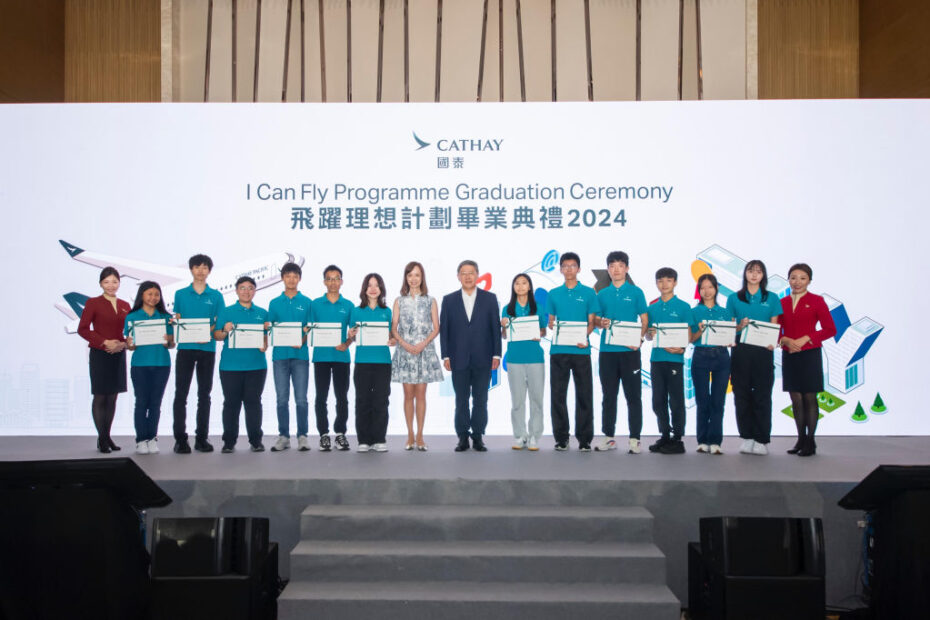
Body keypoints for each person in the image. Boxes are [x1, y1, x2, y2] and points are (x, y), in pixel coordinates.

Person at [440, 260, 502, 453]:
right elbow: (445, 330)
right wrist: (446, 356)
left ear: (477, 275)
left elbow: (495, 328)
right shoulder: (449, 300)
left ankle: (478, 436)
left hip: (484, 357)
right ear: (458, 276)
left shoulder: (490, 298)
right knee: (461, 399)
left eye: (471, 272)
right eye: (463, 273)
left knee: (481, 399)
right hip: (458, 358)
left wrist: (497, 354)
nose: (467, 276)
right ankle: (462, 437)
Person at [778, 263, 836, 457]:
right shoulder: (782, 302)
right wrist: (784, 339)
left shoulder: (817, 300)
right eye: (793, 277)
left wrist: (807, 337)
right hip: (790, 353)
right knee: (795, 397)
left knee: (809, 397)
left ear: (809, 280)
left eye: (802, 278)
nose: (797, 282)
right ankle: (800, 438)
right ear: (788, 279)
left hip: (810, 353)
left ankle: (811, 441)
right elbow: (776, 329)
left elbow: (830, 329)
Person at [726, 260, 782, 455]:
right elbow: (729, 328)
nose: (754, 275)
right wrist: (739, 327)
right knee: (741, 395)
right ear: (745, 274)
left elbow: (775, 327)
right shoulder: (734, 298)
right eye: (751, 271)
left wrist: (772, 341)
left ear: (763, 275)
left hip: (763, 351)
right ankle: (747, 436)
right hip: (741, 350)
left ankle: (761, 438)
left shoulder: (772, 298)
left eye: (758, 271)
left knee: (762, 395)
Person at [595, 251, 648, 454]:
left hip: (630, 352)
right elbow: (596, 320)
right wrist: (601, 322)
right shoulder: (602, 294)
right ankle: (609, 438)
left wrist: (640, 340)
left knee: (633, 396)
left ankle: (635, 439)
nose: (616, 270)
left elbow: (644, 320)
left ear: (627, 268)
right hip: (607, 352)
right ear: (608, 270)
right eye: (612, 266)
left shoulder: (636, 292)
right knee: (609, 396)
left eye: (620, 265)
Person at [545, 252, 599, 452]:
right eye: (565, 266)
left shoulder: (588, 293)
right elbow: (551, 323)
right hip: (558, 350)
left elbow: (592, 321)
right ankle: (561, 438)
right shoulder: (553, 294)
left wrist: (583, 337)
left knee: (584, 395)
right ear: (560, 269)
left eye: (572, 265)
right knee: (558, 395)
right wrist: (553, 325)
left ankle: (585, 439)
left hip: (581, 350)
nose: (569, 269)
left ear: (579, 269)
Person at [172, 254, 224, 454]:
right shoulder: (180, 294)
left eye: (204, 267)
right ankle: (180, 439)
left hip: (207, 349)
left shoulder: (216, 296)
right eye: (197, 267)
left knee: (204, 395)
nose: (201, 271)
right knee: (181, 394)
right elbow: (178, 318)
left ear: (209, 271)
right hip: (185, 349)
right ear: (191, 269)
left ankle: (201, 438)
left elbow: (218, 323)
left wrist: (210, 331)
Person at [391, 261, 443, 451]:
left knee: (421, 395)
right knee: (408, 395)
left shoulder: (431, 300)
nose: (413, 279)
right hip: (405, 352)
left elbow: (436, 327)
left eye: (417, 275)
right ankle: (409, 435)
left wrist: (422, 344)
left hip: (424, 351)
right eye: (410, 275)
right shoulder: (399, 301)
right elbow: (394, 327)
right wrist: (405, 344)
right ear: (406, 277)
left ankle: (420, 435)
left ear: (422, 278)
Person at [77, 266, 130, 453]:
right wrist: (104, 342)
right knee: (100, 396)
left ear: (119, 283)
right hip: (100, 353)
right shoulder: (93, 303)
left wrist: (122, 344)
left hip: (118, 354)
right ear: (100, 283)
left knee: (113, 397)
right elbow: (83, 329)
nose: (111, 285)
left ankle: (107, 437)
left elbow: (128, 332)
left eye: (115, 281)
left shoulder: (125, 305)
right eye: (107, 281)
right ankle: (102, 438)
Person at [213, 276, 268, 453]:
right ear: (236, 291)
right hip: (230, 366)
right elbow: (217, 336)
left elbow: (265, 342)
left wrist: (263, 346)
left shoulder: (262, 313)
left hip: (256, 366)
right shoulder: (226, 312)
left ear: (255, 291)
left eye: (250, 288)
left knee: (253, 403)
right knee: (231, 404)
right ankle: (229, 441)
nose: (246, 291)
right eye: (242, 288)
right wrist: (224, 330)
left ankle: (256, 440)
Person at [644, 267, 696, 455]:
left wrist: (681, 347)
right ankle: (665, 434)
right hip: (656, 359)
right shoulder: (651, 307)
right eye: (660, 281)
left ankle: (677, 437)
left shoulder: (683, 307)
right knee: (658, 400)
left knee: (675, 399)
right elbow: (649, 336)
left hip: (674, 359)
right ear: (656, 283)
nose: (664, 284)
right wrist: (650, 334)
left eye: (668, 280)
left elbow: (689, 333)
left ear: (674, 282)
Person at [123, 281, 175, 454]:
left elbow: (171, 345)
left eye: (156, 294)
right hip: (140, 365)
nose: (153, 297)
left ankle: (152, 438)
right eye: (149, 294)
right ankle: (141, 440)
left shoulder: (166, 317)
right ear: (142, 296)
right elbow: (131, 347)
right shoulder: (132, 317)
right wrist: (129, 344)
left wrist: (169, 338)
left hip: (162, 364)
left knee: (155, 403)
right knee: (141, 403)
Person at [310, 265, 356, 452]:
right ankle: (323, 435)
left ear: (342, 281)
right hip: (320, 357)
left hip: (341, 357)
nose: (333, 282)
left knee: (341, 397)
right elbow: (310, 329)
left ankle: (340, 433)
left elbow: (353, 332)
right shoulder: (315, 304)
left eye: (336, 278)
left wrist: (346, 343)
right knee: (321, 397)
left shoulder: (349, 305)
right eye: (329, 279)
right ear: (324, 282)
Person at [348, 273, 396, 453]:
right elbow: (352, 337)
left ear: (381, 289)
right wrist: (351, 335)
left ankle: (379, 438)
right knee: (362, 401)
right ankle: (364, 440)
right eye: (370, 285)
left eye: (377, 285)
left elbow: (392, 335)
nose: (373, 288)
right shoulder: (356, 310)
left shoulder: (387, 311)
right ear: (364, 289)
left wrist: (393, 341)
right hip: (362, 362)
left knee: (381, 401)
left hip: (383, 362)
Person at [268, 262, 312, 452]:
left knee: (301, 399)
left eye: (295, 276)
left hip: (300, 356)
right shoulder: (274, 303)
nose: (291, 279)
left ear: (299, 279)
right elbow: (270, 329)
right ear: (282, 278)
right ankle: (283, 436)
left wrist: (303, 337)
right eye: (288, 276)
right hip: (280, 356)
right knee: (281, 399)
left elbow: (310, 329)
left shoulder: (307, 302)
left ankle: (302, 435)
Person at [501, 274, 546, 451]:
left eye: (524, 283)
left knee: (537, 399)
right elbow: (505, 335)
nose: (520, 286)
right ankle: (520, 436)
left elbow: (543, 331)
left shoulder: (538, 307)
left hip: (535, 358)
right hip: (514, 359)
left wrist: (539, 334)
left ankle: (534, 436)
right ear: (513, 287)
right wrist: (503, 326)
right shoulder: (507, 309)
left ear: (529, 287)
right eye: (517, 284)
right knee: (517, 401)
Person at [689, 274, 733, 455]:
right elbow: (691, 339)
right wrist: (699, 331)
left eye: (710, 287)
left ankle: (715, 441)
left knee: (718, 401)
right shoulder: (693, 311)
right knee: (702, 400)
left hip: (721, 356)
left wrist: (730, 338)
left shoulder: (725, 312)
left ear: (716, 289)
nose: (706, 291)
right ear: (699, 291)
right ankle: (702, 440)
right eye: (702, 288)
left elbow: (729, 337)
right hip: (700, 356)